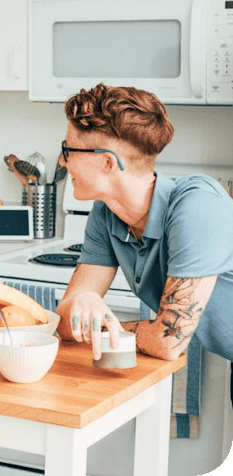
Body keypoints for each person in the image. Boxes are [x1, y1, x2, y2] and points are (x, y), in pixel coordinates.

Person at [55, 83, 233, 364]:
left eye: (68, 150)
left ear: (107, 163)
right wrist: (80, 303)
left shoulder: (198, 207)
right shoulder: (106, 214)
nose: (63, 162)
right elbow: (64, 326)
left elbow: (167, 342)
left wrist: (101, 330)